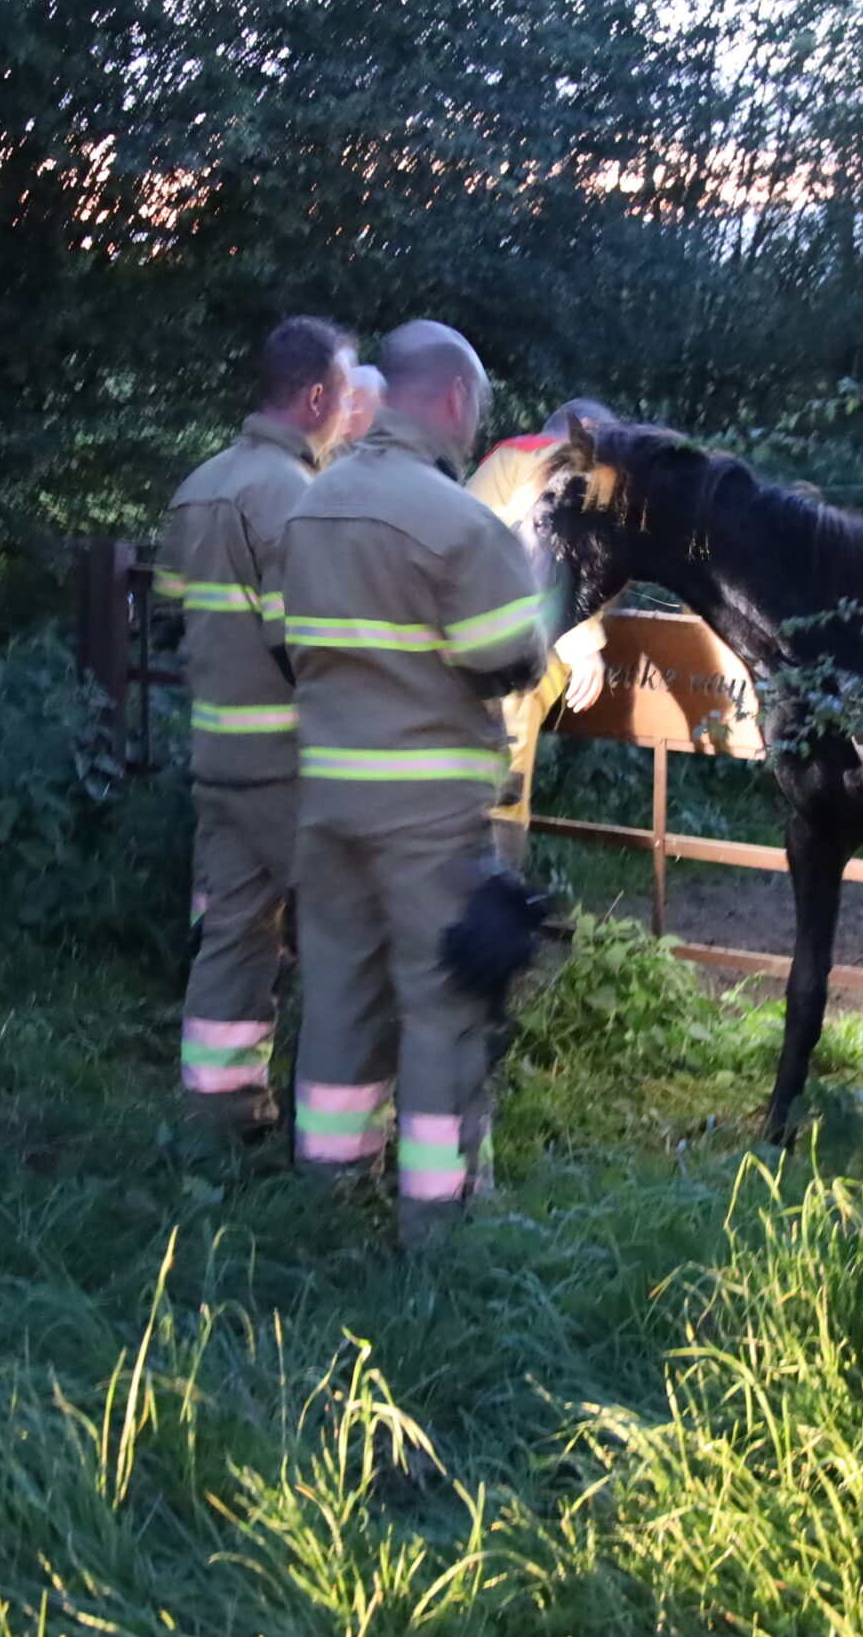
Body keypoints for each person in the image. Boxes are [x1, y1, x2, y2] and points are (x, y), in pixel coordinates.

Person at [273, 319, 550, 1245]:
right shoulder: (461, 522)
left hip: (325, 803)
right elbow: (509, 658)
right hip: (427, 813)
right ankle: (439, 1222)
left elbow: (284, 644)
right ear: (456, 402)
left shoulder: (307, 506)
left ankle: (324, 1193)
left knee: (341, 997)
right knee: (443, 1010)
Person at [153, 316, 358, 1134]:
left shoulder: (198, 483)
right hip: (289, 767)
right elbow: (304, 641)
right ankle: (334, 1142)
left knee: (232, 938)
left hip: (217, 759)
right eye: (345, 394)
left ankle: (215, 1118)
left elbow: (177, 614)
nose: (348, 416)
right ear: (316, 397)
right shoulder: (291, 496)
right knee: (343, 944)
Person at [464, 400, 619, 863]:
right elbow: (552, 548)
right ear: (585, 434)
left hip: (457, 642)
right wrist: (584, 643)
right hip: (514, 653)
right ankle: (499, 887)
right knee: (504, 770)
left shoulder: (503, 459)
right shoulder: (564, 463)